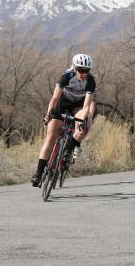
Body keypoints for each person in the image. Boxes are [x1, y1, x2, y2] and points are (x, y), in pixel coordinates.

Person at [31, 54, 96, 187]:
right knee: (50, 137)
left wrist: (82, 121)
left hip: (78, 106)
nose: (84, 73)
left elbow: (86, 106)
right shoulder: (66, 77)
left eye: (86, 71)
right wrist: (49, 113)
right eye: (80, 70)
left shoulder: (90, 81)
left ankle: (68, 150)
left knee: (84, 127)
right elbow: (54, 99)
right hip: (63, 104)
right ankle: (38, 173)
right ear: (74, 68)